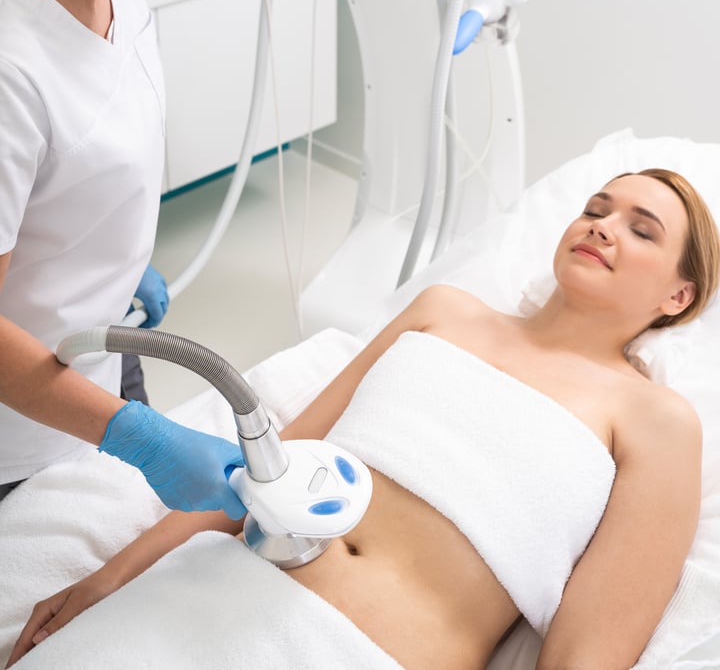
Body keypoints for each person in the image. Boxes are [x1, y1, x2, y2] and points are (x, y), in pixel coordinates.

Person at [7, 168, 719, 669]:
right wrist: (112, 578)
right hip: (200, 597)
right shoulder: (446, 311)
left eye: (641, 230)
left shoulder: (657, 421)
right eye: (596, 208)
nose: (602, 226)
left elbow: (586, 655)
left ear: (678, 296)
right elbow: (271, 461)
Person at [0, 0, 269, 515]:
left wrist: (112, 254)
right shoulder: (10, 61)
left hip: (102, 351)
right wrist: (138, 436)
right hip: (21, 430)